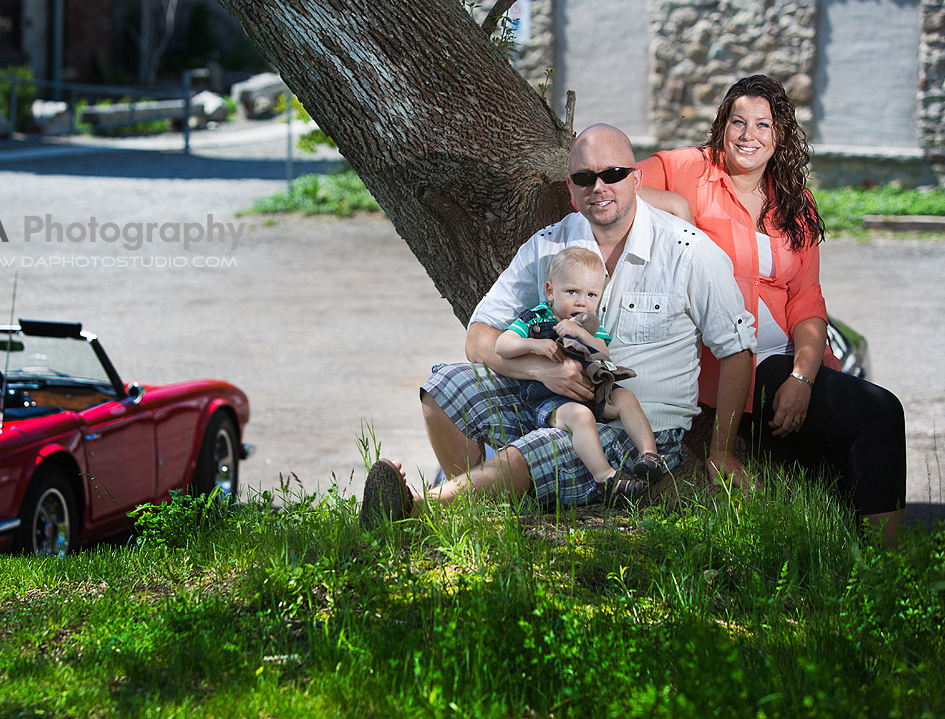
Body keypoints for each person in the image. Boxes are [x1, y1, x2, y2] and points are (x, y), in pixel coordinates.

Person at [359, 123, 756, 529]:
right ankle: (474, 513)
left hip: (638, 428)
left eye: (613, 174)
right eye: (585, 178)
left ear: (636, 178)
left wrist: (721, 449)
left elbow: (738, 350)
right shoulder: (548, 246)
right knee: (444, 388)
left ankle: (413, 509)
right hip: (547, 402)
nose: (598, 187)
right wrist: (541, 370)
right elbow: (478, 337)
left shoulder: (688, 252)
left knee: (544, 446)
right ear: (571, 188)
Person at [636, 74, 906, 543]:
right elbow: (613, 184)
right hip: (724, 365)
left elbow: (808, 301)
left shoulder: (795, 205)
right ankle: (891, 569)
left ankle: (878, 569)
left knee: (849, 459)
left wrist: (802, 378)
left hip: (784, 364)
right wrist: (677, 207)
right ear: (722, 125)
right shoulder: (688, 170)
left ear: (779, 136)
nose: (748, 135)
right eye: (737, 122)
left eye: (762, 125)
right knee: (879, 412)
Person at [494, 245, 665, 500]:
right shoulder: (536, 319)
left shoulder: (590, 325)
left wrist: (582, 333)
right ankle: (605, 478)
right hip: (552, 401)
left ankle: (650, 456)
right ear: (551, 291)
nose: (581, 302)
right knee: (581, 416)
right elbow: (502, 345)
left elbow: (603, 353)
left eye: (591, 295)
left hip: (594, 390)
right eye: (572, 291)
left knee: (626, 398)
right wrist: (534, 344)